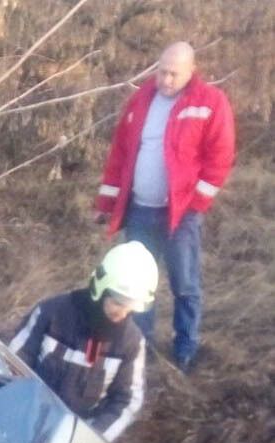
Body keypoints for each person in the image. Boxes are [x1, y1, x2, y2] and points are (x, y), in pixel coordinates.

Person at [94, 41, 235, 372]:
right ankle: (138, 350)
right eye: (161, 71)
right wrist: (107, 202)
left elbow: (221, 157)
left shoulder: (210, 103)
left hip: (180, 215)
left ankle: (185, 347)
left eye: (174, 74)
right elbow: (120, 155)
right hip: (140, 211)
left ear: (191, 71)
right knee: (135, 283)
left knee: (184, 284)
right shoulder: (141, 99)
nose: (166, 80)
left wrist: (195, 202)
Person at [9, 241, 158, 443]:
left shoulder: (131, 343)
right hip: (23, 422)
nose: (122, 313)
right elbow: (13, 361)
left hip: (75, 442)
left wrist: (90, 441)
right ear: (100, 288)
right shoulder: (51, 312)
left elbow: (127, 401)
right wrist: (18, 414)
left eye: (130, 307)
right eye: (117, 303)